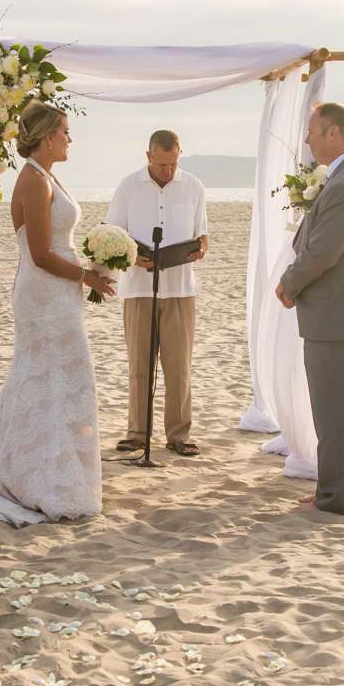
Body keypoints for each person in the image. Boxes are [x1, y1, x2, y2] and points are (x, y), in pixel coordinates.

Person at [0, 101, 109, 525]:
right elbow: (40, 254)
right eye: (66, 131)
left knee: (59, 377)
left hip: (57, 291)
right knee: (47, 374)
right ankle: (34, 476)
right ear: (48, 135)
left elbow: (57, 243)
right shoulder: (33, 180)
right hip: (44, 293)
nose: (70, 139)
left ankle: (50, 468)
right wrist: (87, 276)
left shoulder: (47, 176)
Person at [276, 101, 344, 516]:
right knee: (338, 409)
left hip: (335, 313)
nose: (307, 139)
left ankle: (335, 497)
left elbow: (323, 252)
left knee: (333, 412)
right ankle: (334, 488)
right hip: (340, 311)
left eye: (312, 132)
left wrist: (288, 284)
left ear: (333, 134)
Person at [104, 129, 209, 456]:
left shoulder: (194, 187)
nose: (168, 171)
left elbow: (203, 235)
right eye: (162, 164)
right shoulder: (127, 187)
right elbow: (111, 234)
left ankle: (179, 435)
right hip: (138, 288)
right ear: (148, 156)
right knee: (140, 365)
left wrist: (200, 249)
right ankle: (136, 433)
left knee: (179, 367)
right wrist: (133, 255)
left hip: (179, 288)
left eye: (173, 164)